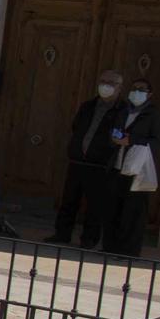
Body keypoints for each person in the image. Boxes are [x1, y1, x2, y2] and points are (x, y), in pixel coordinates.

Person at [47, 69, 124, 249]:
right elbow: (76, 126)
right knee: (69, 200)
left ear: (119, 88)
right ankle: (62, 234)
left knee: (95, 205)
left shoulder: (121, 110)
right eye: (103, 81)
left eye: (111, 83)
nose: (106, 85)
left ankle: (89, 239)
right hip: (78, 161)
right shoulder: (88, 106)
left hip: (100, 165)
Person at [104, 77, 160, 256]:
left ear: (149, 94)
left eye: (142, 89)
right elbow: (113, 130)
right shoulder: (123, 111)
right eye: (135, 88)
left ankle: (128, 251)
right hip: (118, 165)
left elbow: (158, 141)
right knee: (113, 209)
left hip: (137, 170)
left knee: (133, 212)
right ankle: (110, 247)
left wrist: (132, 140)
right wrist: (115, 138)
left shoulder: (154, 115)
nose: (137, 92)